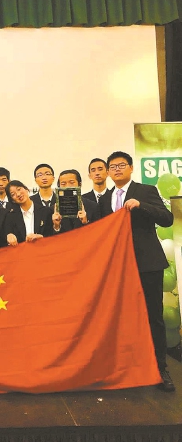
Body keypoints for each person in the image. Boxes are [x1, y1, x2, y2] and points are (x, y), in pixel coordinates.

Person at [99, 151, 175, 392]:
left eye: (121, 165)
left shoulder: (145, 191)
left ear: (131, 168)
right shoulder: (105, 199)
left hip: (147, 264)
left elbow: (167, 218)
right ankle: (128, 367)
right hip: (117, 266)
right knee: (121, 317)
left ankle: (160, 368)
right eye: (112, 167)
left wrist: (141, 206)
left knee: (153, 316)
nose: (117, 169)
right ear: (108, 172)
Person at [5, 180, 54, 246]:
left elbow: (52, 236)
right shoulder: (11, 216)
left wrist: (42, 237)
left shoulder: (45, 211)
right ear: (12, 200)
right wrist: (9, 236)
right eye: (13, 194)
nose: (18, 194)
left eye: (19, 189)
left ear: (26, 189)